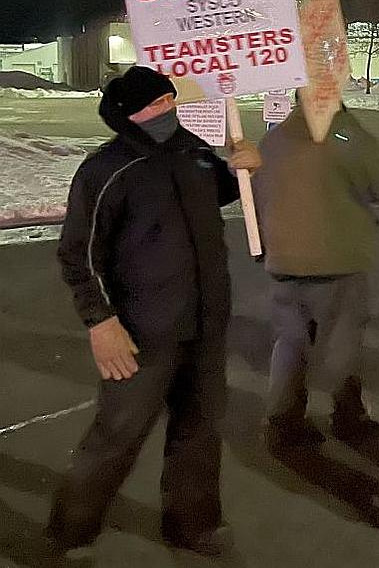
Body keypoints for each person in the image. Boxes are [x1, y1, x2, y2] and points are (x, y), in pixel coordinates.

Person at [47, 66, 261, 555]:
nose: (168, 110)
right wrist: (101, 323)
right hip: (142, 330)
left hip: (205, 324)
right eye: (156, 105)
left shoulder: (192, 151)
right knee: (117, 436)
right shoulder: (107, 169)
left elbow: (216, 193)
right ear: (129, 115)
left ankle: (192, 525)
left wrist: (238, 169)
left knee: (200, 432)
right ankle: (70, 532)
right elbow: (78, 254)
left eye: (170, 100)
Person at [253, 98, 379, 448]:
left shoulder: (271, 141)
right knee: (341, 344)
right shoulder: (345, 137)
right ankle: (348, 416)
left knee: (289, 343)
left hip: (283, 260)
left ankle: (283, 419)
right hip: (336, 260)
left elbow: (257, 197)